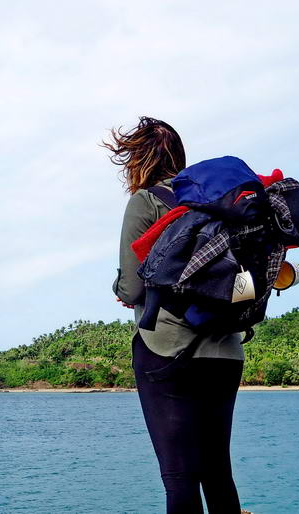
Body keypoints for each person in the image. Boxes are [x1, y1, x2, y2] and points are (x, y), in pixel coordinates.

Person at [105, 117, 245, 514]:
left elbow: (132, 288)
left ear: (138, 160)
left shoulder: (146, 201)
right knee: (218, 471)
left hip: (166, 350)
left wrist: (120, 290)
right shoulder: (215, 204)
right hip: (225, 351)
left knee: (180, 477)